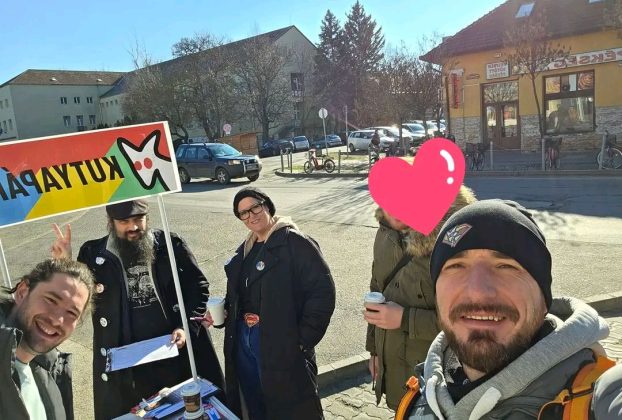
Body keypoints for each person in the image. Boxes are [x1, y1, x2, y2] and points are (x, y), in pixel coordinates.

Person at [400, 199, 622, 418]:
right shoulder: (419, 399)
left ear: (544, 299)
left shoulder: (599, 401)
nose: (478, 291)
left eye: (505, 266)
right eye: (456, 266)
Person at [51, 199, 224, 420]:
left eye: (138, 219)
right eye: (124, 221)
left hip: (173, 352)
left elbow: (198, 287)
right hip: (127, 366)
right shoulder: (92, 254)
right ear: (111, 222)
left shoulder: (170, 245)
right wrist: (64, 265)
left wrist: (185, 327)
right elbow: (76, 300)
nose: (133, 227)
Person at [202, 187, 335, 420]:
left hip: (280, 340)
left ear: (267, 205)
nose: (251, 216)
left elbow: (322, 293)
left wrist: (302, 340)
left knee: (288, 406)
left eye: (255, 207)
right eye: (243, 213)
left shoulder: (296, 242)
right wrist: (224, 311)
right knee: (254, 403)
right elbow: (243, 295)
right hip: (244, 340)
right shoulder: (245, 250)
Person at [363, 185, 476, 410]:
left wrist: (405, 318)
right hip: (395, 369)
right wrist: (374, 351)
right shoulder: (385, 232)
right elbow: (377, 288)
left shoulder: (454, 243)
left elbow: (469, 322)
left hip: (437, 379)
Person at [0, 258, 94, 420]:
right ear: (22, 292)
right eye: (51, 300)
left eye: (71, 313)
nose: (57, 320)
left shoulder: (50, 372)